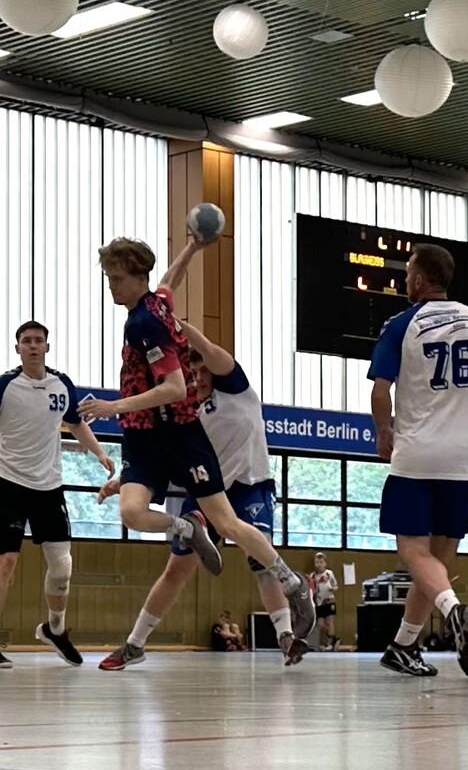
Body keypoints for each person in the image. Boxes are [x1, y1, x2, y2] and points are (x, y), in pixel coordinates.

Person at [77, 235, 315, 644]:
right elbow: (169, 281)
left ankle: (291, 584)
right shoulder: (154, 304)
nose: (111, 286)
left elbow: (174, 388)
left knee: (230, 525)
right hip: (146, 435)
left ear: (137, 277)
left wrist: (112, 407)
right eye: (109, 278)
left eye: (117, 278)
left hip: (181, 437)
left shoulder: (147, 325)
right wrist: (191, 248)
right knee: (132, 514)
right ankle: (184, 531)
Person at [99, 316, 306, 670]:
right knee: (177, 569)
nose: (197, 376)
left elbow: (208, 349)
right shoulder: (183, 415)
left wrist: (172, 322)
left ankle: (286, 635)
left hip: (250, 486)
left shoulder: (236, 390)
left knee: (260, 561)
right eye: (190, 371)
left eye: (201, 370)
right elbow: (163, 461)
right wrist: (123, 481)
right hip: (207, 491)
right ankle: (135, 644)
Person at [368, 243, 468, 678]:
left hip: (417, 454)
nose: (405, 281)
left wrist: (383, 432)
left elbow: (381, 389)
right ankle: (403, 646)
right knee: (439, 557)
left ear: (418, 279)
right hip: (465, 461)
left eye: (407, 274)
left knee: (413, 551)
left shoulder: (402, 324)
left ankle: (453, 611)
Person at [0, 320, 112, 668]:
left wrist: (100, 453)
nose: (33, 345)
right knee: (5, 560)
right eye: (27, 341)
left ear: (47, 347)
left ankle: (55, 628)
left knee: (62, 565)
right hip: (11, 482)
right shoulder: (4, 386)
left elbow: (76, 423)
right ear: (18, 348)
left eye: (39, 340)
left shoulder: (62, 384)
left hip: (49, 486)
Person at [309, 552, 340, 651]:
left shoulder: (329, 573)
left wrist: (332, 588)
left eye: (321, 562)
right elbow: (311, 589)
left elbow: (336, 586)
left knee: (330, 621)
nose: (319, 564)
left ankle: (329, 643)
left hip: (329, 600)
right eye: (317, 562)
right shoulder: (313, 576)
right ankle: (334, 638)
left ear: (325, 563)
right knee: (320, 624)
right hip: (319, 602)